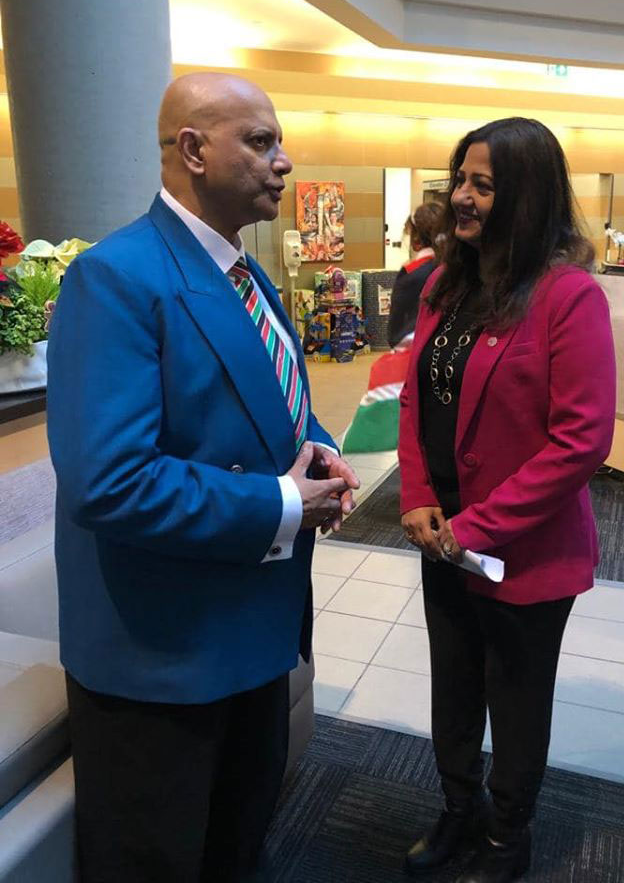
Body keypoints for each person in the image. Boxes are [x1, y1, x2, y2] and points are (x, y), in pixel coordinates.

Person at [46, 72, 359, 883]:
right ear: (192, 151)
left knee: (236, 846)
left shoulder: (247, 277)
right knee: (155, 862)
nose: (283, 162)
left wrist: (318, 448)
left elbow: (272, 408)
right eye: (260, 142)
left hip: (251, 631)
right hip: (163, 656)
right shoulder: (116, 277)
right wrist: (284, 502)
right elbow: (109, 481)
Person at [399, 118, 615, 883]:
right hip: (441, 536)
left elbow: (581, 441)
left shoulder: (568, 297)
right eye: (460, 177)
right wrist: (417, 496)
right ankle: (459, 809)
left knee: (515, 703)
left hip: (523, 548)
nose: (461, 195)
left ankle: (505, 837)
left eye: (482, 185)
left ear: (525, 196)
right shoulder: (444, 284)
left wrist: (476, 527)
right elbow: (416, 399)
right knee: (454, 686)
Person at [387, 201, 444, 348]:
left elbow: (397, 329)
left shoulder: (412, 274)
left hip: (414, 348)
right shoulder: (458, 268)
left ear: (416, 239)